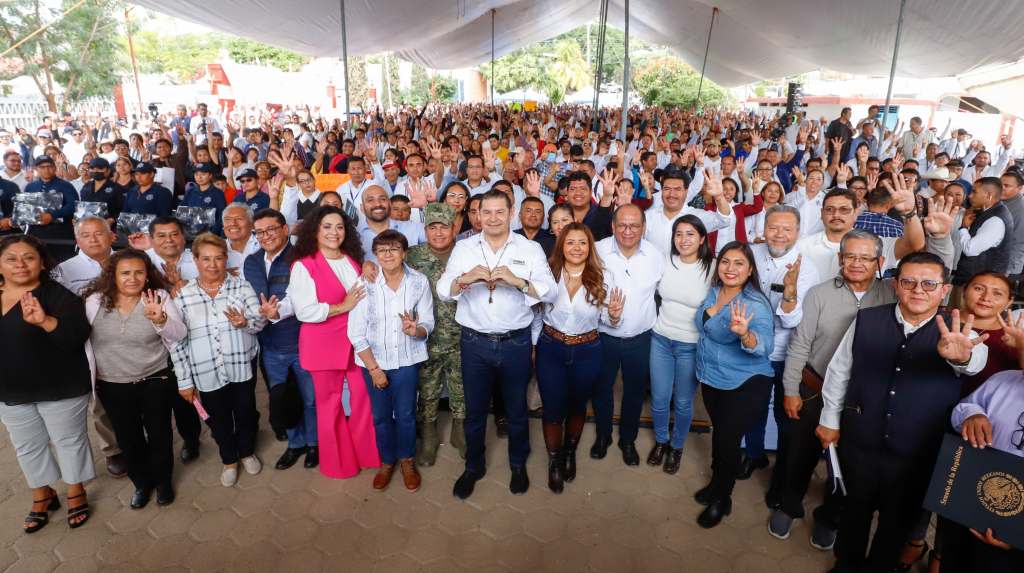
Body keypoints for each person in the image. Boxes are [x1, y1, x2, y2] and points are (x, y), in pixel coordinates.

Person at [816, 252, 989, 572]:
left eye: (928, 283)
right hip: (861, 440)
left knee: (898, 520)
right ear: (896, 285)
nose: (918, 290)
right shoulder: (867, 319)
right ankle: (846, 564)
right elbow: (839, 370)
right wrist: (829, 418)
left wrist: (961, 358)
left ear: (944, 290)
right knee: (854, 510)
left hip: (918, 451)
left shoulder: (961, 330)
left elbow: (974, 362)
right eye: (908, 281)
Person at [770, 229, 898, 546]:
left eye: (865, 257)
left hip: (861, 400)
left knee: (847, 463)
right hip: (814, 388)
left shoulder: (891, 295)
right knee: (799, 454)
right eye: (849, 256)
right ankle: (789, 505)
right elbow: (799, 345)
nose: (856, 263)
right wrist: (790, 389)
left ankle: (830, 516)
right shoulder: (819, 293)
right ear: (840, 259)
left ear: (879, 261)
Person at [437, 190, 557, 499]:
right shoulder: (464, 248)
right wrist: (466, 279)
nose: (492, 218)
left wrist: (518, 281)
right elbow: (443, 289)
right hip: (474, 343)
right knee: (475, 410)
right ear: (477, 214)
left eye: (498, 212)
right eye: (485, 212)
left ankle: (518, 463)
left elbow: (550, 291)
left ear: (511, 211)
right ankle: (473, 466)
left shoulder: (529, 249)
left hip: (515, 342)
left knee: (516, 408)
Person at [0, 235, 94, 532]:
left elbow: (76, 337)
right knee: (27, 445)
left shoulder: (58, 296)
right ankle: (42, 494)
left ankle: (75, 490)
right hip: (10, 389)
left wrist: (45, 322)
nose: (20, 264)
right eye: (11, 258)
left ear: (42, 263)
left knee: (68, 441)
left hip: (60, 386)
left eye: (28, 257)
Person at [83, 249, 185, 508]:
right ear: (112, 276)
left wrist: (160, 319)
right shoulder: (95, 301)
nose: (132, 278)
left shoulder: (158, 297)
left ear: (147, 275)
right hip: (113, 385)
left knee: (160, 434)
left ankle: (163, 483)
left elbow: (180, 333)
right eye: (125, 273)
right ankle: (142, 484)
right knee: (128, 439)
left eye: (139, 272)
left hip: (155, 379)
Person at [288, 206, 380, 479]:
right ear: (315, 230)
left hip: (355, 343)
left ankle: (367, 454)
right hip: (323, 344)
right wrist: (342, 306)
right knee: (330, 406)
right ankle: (339, 463)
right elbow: (304, 311)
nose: (334, 232)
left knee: (363, 398)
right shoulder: (304, 265)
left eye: (339, 227)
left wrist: (368, 266)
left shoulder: (352, 259)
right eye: (327, 226)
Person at [170, 233, 267, 487]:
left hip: (240, 367)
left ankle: (246, 452)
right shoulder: (182, 295)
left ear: (226, 259)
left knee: (245, 412)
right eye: (206, 259)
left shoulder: (241, 286)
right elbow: (176, 341)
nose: (212, 265)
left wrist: (245, 322)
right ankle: (229, 459)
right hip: (205, 371)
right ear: (196, 260)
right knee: (218, 418)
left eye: (218, 258)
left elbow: (259, 323)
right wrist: (183, 380)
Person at [693, 241, 776, 528]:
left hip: (745, 383)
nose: (730, 268)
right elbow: (704, 326)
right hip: (712, 377)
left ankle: (722, 499)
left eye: (739, 263)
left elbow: (764, 344)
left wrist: (745, 335)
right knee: (720, 435)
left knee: (728, 442)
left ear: (750, 269)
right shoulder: (714, 292)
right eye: (726, 261)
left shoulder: (754, 304)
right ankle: (717, 483)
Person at [537, 223, 624, 493]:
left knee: (576, 406)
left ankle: (570, 452)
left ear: (590, 247)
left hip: (588, 350)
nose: (576, 248)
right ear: (561, 245)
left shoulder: (603, 277)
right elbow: (535, 314)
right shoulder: (548, 274)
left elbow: (610, 322)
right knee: (552, 409)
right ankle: (554, 461)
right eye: (571, 242)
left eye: (582, 243)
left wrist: (615, 316)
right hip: (551, 348)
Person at [349, 230, 434, 492]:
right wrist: (374, 369)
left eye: (394, 249)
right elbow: (355, 332)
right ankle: (387, 462)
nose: (387, 254)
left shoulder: (419, 282)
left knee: (407, 414)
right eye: (382, 250)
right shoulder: (365, 284)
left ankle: (407, 460)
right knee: (381, 417)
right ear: (375, 254)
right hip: (374, 362)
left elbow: (428, 321)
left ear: (404, 253)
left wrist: (416, 330)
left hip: (407, 360)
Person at [243, 209, 319, 470]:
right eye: (260, 232)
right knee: (282, 397)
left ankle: (313, 444)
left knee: (309, 398)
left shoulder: (303, 257)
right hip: (270, 346)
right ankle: (295, 445)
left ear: (285, 229)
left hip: (302, 342)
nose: (266, 236)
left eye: (271, 229)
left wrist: (278, 311)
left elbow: (307, 298)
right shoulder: (251, 262)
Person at [590, 204, 664, 465]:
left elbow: (664, 294)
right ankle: (603, 436)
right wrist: (606, 312)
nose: (628, 231)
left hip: (640, 339)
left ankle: (628, 439)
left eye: (634, 226)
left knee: (633, 392)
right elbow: (588, 293)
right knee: (602, 389)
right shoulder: (597, 251)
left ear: (643, 228)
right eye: (622, 225)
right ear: (612, 226)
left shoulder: (655, 256)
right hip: (604, 336)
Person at [648, 215, 716, 474]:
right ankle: (662, 441)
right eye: (678, 234)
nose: (683, 239)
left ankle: (677, 447)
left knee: (684, 402)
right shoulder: (665, 262)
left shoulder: (713, 267)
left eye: (690, 234)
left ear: (701, 239)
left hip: (691, 344)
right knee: (659, 399)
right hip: (661, 339)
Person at [946, 367, 1024, 572]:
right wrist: (972, 414)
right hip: (967, 509)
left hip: (1013, 540)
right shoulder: (1003, 379)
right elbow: (964, 407)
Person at [405, 203, 466, 465]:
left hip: (462, 336)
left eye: (444, 227)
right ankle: (428, 435)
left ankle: (459, 431)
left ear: (454, 228)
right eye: (433, 227)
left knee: (461, 387)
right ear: (425, 229)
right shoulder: (411, 256)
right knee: (427, 389)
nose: (439, 233)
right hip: (424, 337)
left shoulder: (466, 254)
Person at [953, 176, 1014, 285]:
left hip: (981, 283)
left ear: (989, 195)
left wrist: (963, 228)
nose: (970, 196)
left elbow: (970, 250)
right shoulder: (988, 211)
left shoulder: (996, 220)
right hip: (976, 279)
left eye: (974, 192)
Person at [357, 185, 424, 262]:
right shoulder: (354, 236)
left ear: (389, 204)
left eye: (382, 199)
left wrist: (426, 206)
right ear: (362, 208)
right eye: (370, 200)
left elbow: (439, 235)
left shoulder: (413, 228)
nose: (378, 204)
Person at [179, 163, 227, 235]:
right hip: (189, 234)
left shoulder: (218, 193)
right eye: (196, 174)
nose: (199, 177)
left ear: (210, 175)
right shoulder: (190, 192)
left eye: (203, 174)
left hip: (209, 235)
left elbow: (222, 216)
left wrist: (212, 233)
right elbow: (182, 213)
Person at [77, 157, 124, 225]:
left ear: (108, 171)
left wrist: (111, 220)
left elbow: (123, 211)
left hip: (107, 229)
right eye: (92, 168)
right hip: (87, 226)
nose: (95, 171)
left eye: (100, 168)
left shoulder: (116, 188)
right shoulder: (86, 186)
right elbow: (82, 206)